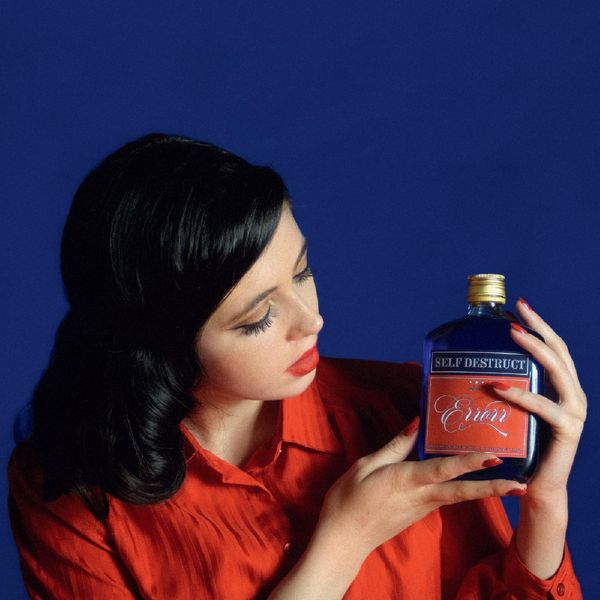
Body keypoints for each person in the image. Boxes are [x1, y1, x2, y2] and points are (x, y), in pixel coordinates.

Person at [8, 133, 585, 599]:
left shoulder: (412, 408)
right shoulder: (67, 486)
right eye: (259, 317)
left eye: (302, 272)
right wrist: (344, 542)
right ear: (158, 343)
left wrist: (545, 505)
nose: (312, 320)